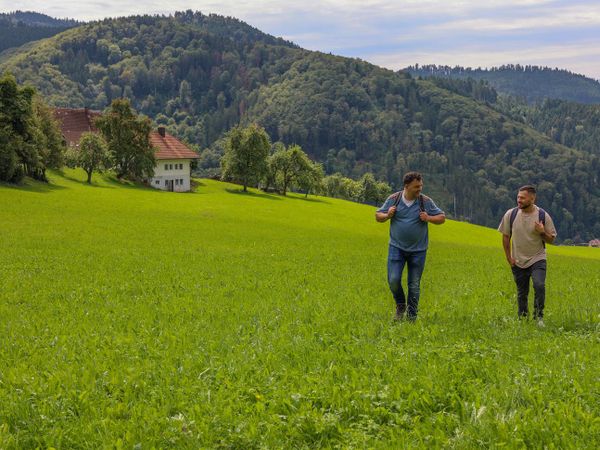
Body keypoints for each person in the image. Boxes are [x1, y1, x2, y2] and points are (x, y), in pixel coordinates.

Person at [376, 172, 445, 321]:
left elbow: (442, 217)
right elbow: (378, 216)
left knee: (414, 285)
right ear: (406, 186)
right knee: (393, 280)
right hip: (397, 248)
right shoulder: (394, 199)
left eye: (421, 186)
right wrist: (387, 215)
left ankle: (411, 318)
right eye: (416, 186)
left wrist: (429, 218)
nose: (420, 189)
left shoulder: (425, 201)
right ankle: (401, 304)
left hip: (418, 251)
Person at [498, 185, 557, 327]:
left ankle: (539, 318)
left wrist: (542, 232)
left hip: (538, 258)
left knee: (539, 285)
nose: (519, 200)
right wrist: (508, 258)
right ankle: (523, 319)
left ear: (532, 198)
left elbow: (552, 240)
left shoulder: (542, 215)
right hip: (518, 259)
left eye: (522, 198)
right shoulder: (510, 214)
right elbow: (506, 237)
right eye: (518, 197)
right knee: (522, 292)